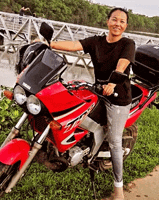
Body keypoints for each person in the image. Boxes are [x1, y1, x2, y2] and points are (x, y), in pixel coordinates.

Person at [50, 7, 135, 200]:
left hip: (118, 96)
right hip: (97, 91)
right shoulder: (96, 41)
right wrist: (49, 44)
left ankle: (118, 189)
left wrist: (112, 82)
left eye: (122, 21)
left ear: (125, 26)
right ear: (107, 21)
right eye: (114, 19)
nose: (117, 24)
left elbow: (122, 64)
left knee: (114, 141)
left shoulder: (128, 43)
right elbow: (74, 45)